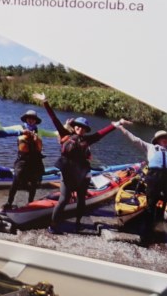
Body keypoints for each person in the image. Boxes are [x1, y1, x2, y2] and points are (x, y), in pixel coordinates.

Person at [36, 93, 128, 234]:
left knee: (81, 200)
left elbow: (101, 134)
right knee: (63, 199)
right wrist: (45, 102)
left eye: (83, 127)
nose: (80, 129)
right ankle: (53, 225)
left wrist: (116, 124)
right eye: (78, 126)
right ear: (74, 127)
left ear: (85, 130)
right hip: (67, 173)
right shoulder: (64, 134)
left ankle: (78, 224)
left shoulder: (88, 140)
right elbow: (54, 119)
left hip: (82, 174)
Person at [113, 123, 167, 241]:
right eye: (163, 138)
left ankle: (159, 224)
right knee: (151, 203)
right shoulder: (149, 147)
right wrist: (121, 128)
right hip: (153, 177)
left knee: (163, 201)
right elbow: (134, 139)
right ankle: (146, 231)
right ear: (158, 140)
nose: (166, 140)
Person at [0, 109, 49, 209]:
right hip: (22, 161)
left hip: (35, 161)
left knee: (33, 184)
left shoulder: (39, 131)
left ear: (36, 121)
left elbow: (55, 133)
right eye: (29, 118)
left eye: (33, 119)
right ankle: (9, 203)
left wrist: (66, 127)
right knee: (16, 181)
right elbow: (0, 129)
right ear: (26, 119)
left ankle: (30, 203)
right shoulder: (19, 128)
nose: (31, 120)